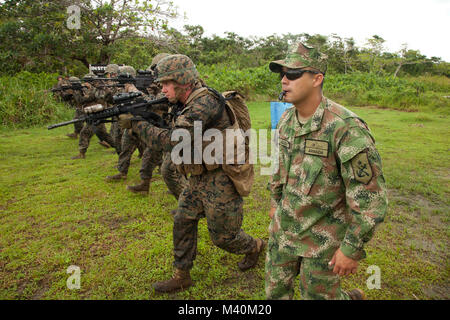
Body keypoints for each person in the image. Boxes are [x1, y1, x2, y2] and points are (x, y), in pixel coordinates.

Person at [119, 54, 265, 293]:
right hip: (198, 175)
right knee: (183, 219)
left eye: (167, 84)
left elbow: (176, 140)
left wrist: (137, 125)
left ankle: (255, 246)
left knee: (224, 237)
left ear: (183, 81)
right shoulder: (182, 102)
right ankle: (181, 275)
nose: (162, 89)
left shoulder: (204, 102)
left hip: (222, 176)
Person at [265, 43, 388, 300]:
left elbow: (369, 198)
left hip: (323, 242)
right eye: (282, 74)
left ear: (316, 79)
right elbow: (280, 169)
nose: (285, 80)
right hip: (284, 232)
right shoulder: (287, 120)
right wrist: (276, 203)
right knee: (274, 295)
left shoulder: (346, 129)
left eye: (294, 73)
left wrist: (351, 249)